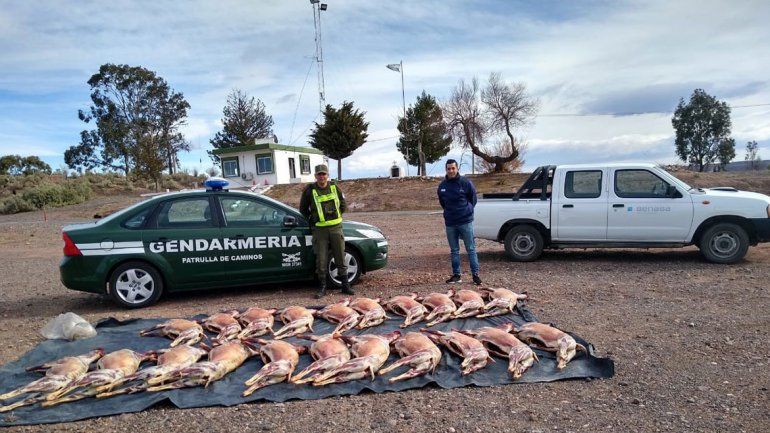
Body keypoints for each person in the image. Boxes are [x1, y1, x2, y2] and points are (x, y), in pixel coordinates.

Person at [299, 164, 354, 298]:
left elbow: (343, 204)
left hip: (336, 228)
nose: (321, 176)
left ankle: (345, 285)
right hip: (319, 230)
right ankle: (322, 287)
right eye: (319, 174)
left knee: (340, 256)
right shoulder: (309, 190)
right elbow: (303, 209)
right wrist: (313, 222)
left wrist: (337, 216)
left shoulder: (335, 187)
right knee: (321, 259)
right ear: (315, 176)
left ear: (327, 175)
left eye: (324, 174)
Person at [437, 159, 482, 285]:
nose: (451, 171)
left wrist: (467, 211)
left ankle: (475, 275)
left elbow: (473, 199)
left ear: (457, 169)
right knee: (454, 250)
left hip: (465, 222)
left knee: (471, 249)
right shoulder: (442, 186)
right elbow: (442, 202)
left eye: (453, 168)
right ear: (446, 170)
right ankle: (457, 275)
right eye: (448, 168)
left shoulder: (465, 183)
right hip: (450, 223)